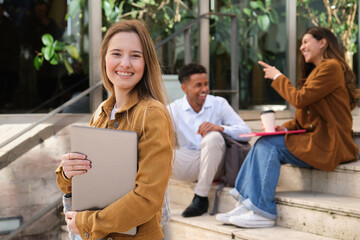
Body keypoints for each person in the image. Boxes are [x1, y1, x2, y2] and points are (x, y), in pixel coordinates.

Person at [216, 27, 359, 228]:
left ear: (323, 42)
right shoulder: (316, 73)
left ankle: (263, 211)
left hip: (331, 143)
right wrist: (282, 129)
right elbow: (303, 117)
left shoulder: (332, 67)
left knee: (269, 146)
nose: (302, 47)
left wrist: (277, 77)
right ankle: (247, 203)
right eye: (302, 43)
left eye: (306, 42)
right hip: (317, 139)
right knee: (264, 141)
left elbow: (299, 100)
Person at [55, 20, 174, 240]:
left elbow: (147, 199)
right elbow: (84, 182)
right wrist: (67, 171)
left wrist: (87, 222)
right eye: (117, 54)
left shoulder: (152, 113)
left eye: (135, 56)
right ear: (104, 57)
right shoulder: (101, 112)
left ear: (147, 62)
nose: (125, 63)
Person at [167, 63, 252, 217]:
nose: (204, 89)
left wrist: (220, 128)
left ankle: (200, 197)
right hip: (192, 161)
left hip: (219, 163)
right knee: (156, 154)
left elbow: (247, 132)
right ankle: (156, 204)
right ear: (184, 88)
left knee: (212, 138)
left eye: (206, 84)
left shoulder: (218, 103)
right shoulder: (174, 109)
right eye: (198, 85)